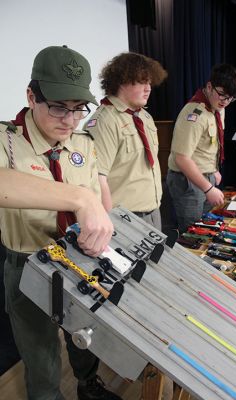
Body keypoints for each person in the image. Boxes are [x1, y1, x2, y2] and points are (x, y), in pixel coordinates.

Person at [0, 45, 121, 400]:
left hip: (79, 259)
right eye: (57, 107)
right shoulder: (7, 141)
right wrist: (78, 198)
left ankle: (88, 385)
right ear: (30, 95)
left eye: (78, 109)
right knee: (40, 356)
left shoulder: (83, 142)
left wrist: (104, 219)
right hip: (26, 263)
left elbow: (101, 196)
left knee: (85, 335)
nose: (69, 120)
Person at [84, 52, 167, 230]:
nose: (148, 88)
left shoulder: (144, 116)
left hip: (153, 212)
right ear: (122, 81)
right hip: (124, 219)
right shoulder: (105, 120)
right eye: (142, 82)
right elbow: (98, 178)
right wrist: (108, 223)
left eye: (150, 82)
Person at [166, 63, 236, 233]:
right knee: (192, 234)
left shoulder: (218, 108)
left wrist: (213, 170)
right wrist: (207, 188)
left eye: (231, 98)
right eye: (222, 95)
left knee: (206, 229)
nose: (225, 102)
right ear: (209, 86)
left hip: (207, 176)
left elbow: (209, 144)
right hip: (187, 180)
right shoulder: (194, 114)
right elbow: (181, 158)